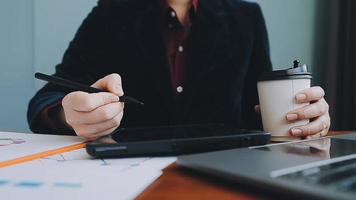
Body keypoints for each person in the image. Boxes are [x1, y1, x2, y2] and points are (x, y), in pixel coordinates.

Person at [27, 0, 330, 141]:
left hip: (227, 174)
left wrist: (305, 117)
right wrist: (69, 114)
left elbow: (260, 110)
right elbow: (45, 99)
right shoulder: (109, 14)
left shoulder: (246, 16)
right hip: (128, 175)